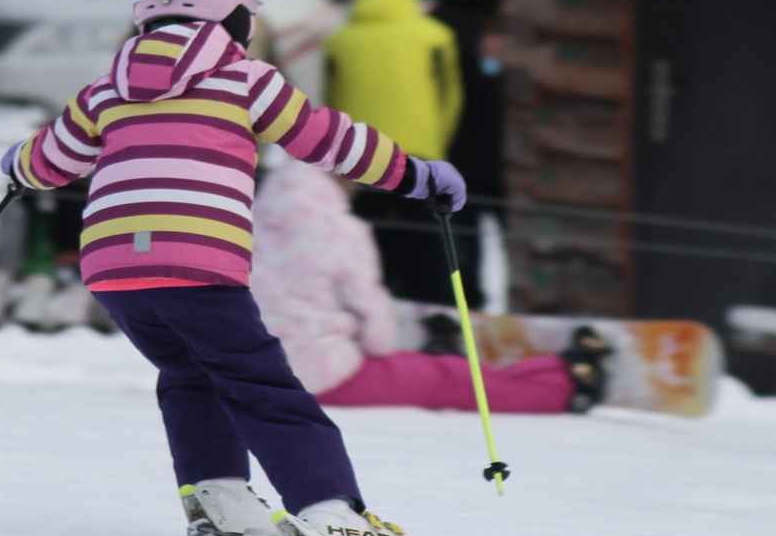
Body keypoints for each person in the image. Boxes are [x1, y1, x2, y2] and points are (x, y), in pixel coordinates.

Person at [0, 0, 467, 536]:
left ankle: (221, 497)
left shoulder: (105, 89)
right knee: (259, 382)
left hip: (114, 269)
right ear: (232, 16)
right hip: (196, 260)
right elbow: (326, 140)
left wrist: (18, 164)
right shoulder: (245, 80)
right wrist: (413, 175)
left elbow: (48, 161)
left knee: (190, 372)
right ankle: (332, 512)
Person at [250, 159, 590, 414]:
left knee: (438, 372)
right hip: (323, 376)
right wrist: (377, 346)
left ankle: (553, 372)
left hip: (256, 373)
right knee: (448, 379)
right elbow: (377, 330)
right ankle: (566, 384)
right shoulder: (340, 231)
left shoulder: (250, 224)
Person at [322, 0, 461, 304]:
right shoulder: (436, 36)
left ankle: (377, 317)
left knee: (371, 253)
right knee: (426, 252)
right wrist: (438, 146)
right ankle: (432, 322)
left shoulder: (340, 40)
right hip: (419, 158)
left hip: (361, 161)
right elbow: (451, 98)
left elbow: (333, 99)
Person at [431, 0, 507, 274]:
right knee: (463, 230)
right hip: (463, 136)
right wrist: (472, 47)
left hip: (505, 141)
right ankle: (468, 298)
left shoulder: (514, 13)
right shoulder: (451, 13)